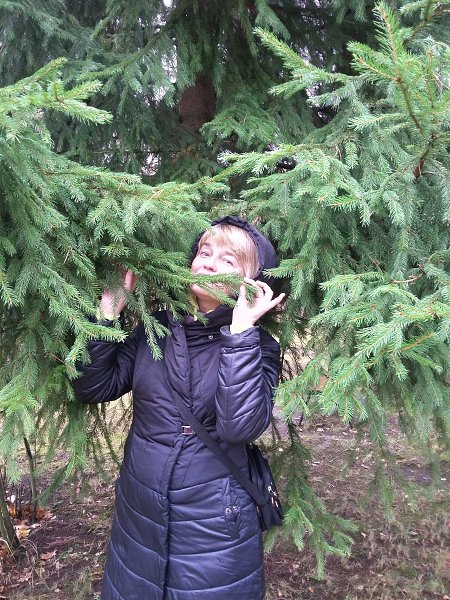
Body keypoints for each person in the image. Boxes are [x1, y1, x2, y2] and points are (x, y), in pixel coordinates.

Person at [73, 215, 285, 600]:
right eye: (205, 252)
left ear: (254, 282)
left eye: (228, 260)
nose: (209, 264)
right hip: (139, 515)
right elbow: (93, 386)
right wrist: (107, 314)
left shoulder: (259, 347)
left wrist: (240, 334)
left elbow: (239, 427)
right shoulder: (155, 328)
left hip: (214, 526)